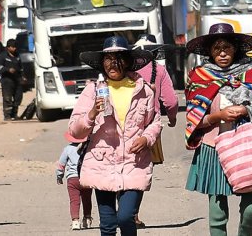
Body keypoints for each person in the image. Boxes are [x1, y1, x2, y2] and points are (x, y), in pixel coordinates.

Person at [184, 22, 252, 236]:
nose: (222, 53)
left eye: (227, 47)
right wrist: (218, 116)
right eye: (217, 48)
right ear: (210, 51)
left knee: (251, 210)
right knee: (217, 214)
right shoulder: (199, 77)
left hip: (249, 147)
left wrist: (246, 110)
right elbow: (193, 120)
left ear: (235, 48)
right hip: (214, 148)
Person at [66, 36, 162, 236]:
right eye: (108, 58)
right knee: (108, 224)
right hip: (102, 163)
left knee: (126, 217)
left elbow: (154, 122)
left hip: (134, 163)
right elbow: (74, 129)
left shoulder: (144, 90)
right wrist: (92, 113)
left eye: (119, 58)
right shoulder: (93, 90)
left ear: (127, 62)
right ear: (102, 63)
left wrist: (146, 138)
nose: (113, 63)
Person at [131, 33, 179, 228]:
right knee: (141, 169)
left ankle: (122, 209)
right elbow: (171, 101)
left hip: (124, 125)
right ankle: (132, 213)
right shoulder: (158, 70)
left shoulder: (125, 67)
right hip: (150, 126)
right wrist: (173, 118)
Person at [56, 140, 92, 230]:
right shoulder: (89, 147)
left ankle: (75, 221)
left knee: (74, 201)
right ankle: (87, 219)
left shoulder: (68, 149)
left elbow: (61, 164)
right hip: (86, 178)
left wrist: (59, 176)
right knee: (87, 199)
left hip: (72, 179)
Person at [0, 39, 23, 120]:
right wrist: (8, 70)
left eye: (15, 47)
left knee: (18, 97)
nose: (14, 48)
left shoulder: (17, 55)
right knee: (7, 98)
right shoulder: (3, 56)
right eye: (12, 47)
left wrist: (23, 76)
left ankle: (14, 114)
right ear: (8, 47)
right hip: (7, 80)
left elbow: (21, 67)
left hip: (17, 79)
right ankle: (7, 115)